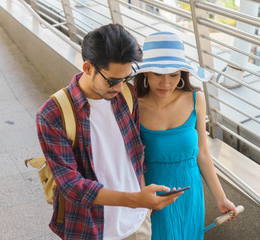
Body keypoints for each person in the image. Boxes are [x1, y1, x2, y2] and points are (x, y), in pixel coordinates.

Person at [36, 24, 182, 240]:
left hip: (137, 222)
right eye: (113, 80)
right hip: (90, 229)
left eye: (126, 77)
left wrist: (142, 204)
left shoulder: (126, 95)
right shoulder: (53, 114)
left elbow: (135, 153)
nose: (119, 86)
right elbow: (71, 185)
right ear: (87, 68)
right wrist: (136, 200)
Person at [134, 32, 238, 239]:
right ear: (145, 73)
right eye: (157, 74)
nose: (166, 83)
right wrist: (142, 201)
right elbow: (131, 160)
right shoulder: (133, 105)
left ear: (182, 73)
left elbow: (203, 154)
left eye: (173, 74)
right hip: (153, 196)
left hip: (191, 194)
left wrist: (221, 198)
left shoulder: (196, 99)